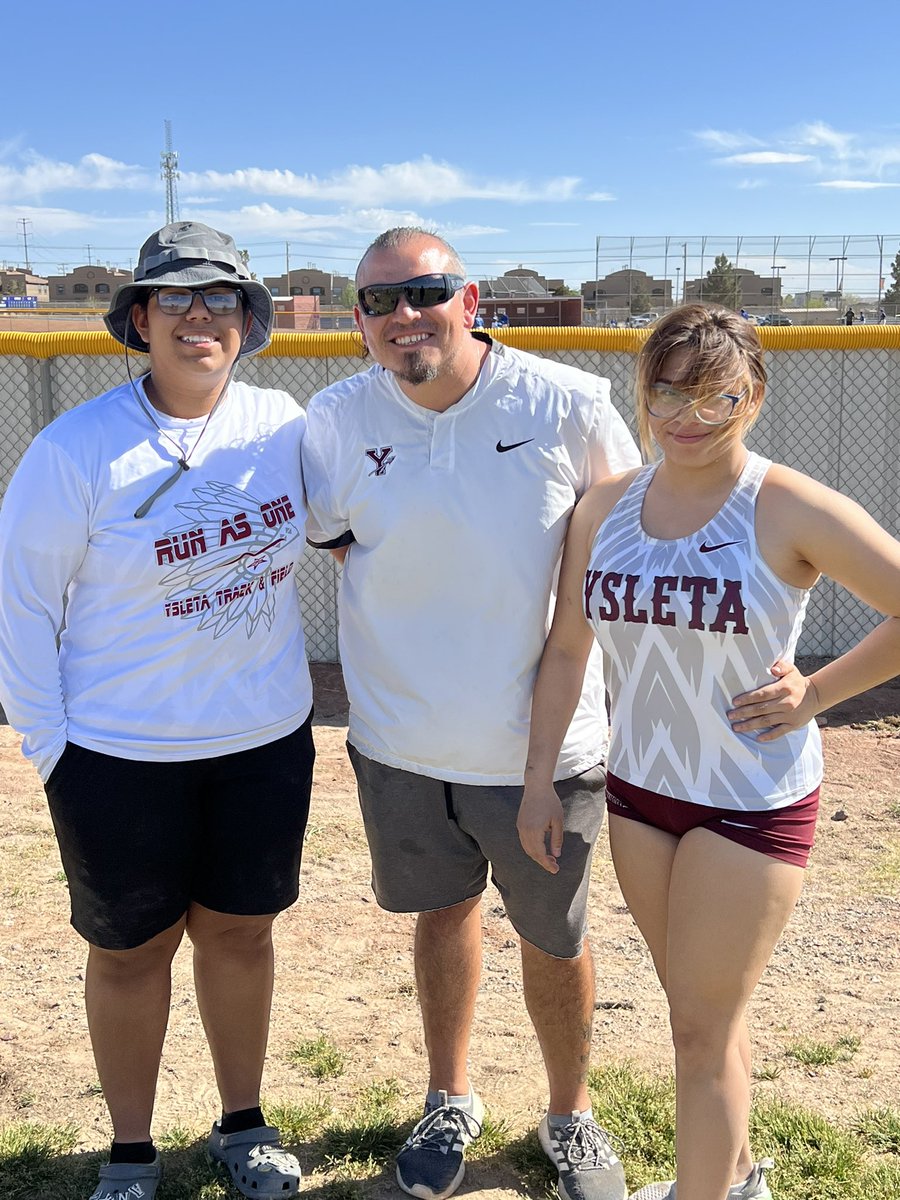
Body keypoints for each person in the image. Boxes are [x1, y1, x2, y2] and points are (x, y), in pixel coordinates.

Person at [518, 303, 900, 1200]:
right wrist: (540, 782)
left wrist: (818, 694)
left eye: (714, 397)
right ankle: (736, 1180)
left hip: (749, 798)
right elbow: (569, 649)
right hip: (639, 793)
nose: (687, 417)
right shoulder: (605, 507)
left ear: (754, 396)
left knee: (698, 1025)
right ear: (640, 394)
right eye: (666, 394)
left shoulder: (786, 503)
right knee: (705, 1016)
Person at [301, 228, 641, 1200]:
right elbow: (346, 549)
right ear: (357, 320)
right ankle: (450, 1098)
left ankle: (570, 1113)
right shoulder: (332, 421)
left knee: (555, 937)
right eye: (379, 302)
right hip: (402, 746)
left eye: (426, 292)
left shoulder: (569, 407)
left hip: (544, 747)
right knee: (441, 919)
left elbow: (612, 561)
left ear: (471, 298)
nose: (405, 317)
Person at [0, 222, 315, 1200]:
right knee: (130, 956)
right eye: (173, 298)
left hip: (261, 744)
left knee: (240, 937)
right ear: (139, 318)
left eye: (218, 298)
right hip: (117, 754)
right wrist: (56, 753)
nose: (197, 316)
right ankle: (130, 1152)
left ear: (247, 319)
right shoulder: (77, 448)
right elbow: (21, 610)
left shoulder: (285, 426)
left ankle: (242, 1124)